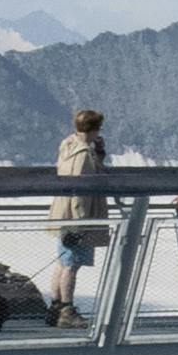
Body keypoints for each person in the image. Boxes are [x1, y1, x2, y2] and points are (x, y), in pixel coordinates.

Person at [47, 105, 110, 324]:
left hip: (63, 212)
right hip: (76, 216)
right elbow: (79, 190)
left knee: (63, 261)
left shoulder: (68, 145)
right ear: (94, 129)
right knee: (72, 264)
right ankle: (67, 310)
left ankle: (55, 307)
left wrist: (99, 155)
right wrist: (81, 223)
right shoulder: (83, 154)